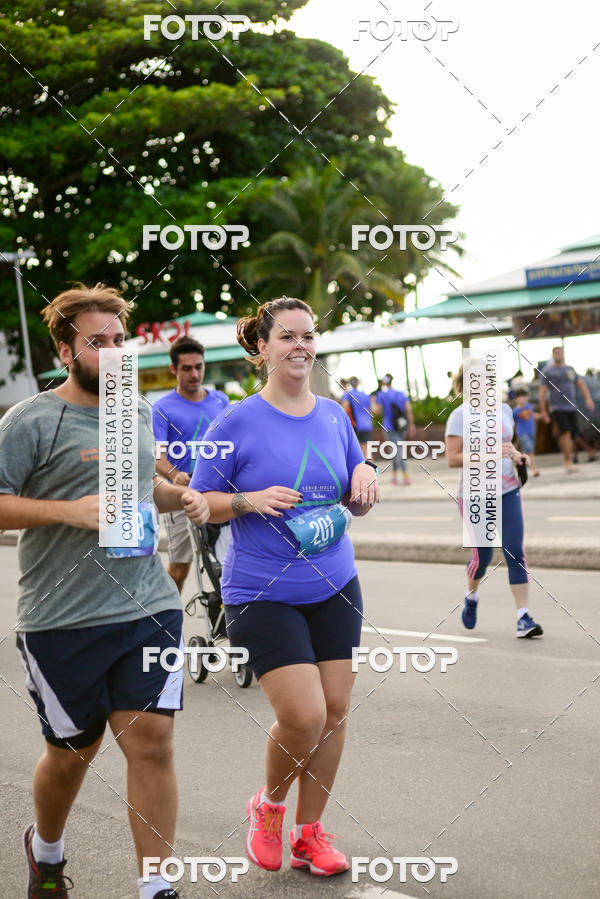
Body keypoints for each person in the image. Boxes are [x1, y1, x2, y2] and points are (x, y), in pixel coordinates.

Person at [0, 284, 209, 899]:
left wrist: (182, 498)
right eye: (100, 342)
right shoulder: (30, 420)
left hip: (147, 607)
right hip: (62, 618)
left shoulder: (136, 412)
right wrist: (66, 512)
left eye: (122, 340)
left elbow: (145, 487)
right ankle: (46, 851)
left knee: (152, 740)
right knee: (71, 755)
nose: (116, 351)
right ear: (67, 350)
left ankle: (154, 886)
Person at [187, 296, 379, 878]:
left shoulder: (333, 415)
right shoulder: (235, 422)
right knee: (304, 715)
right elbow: (200, 504)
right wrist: (249, 500)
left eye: (308, 336)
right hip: (261, 590)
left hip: (335, 582)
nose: (301, 346)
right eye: (288, 336)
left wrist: (366, 473)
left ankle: (309, 833)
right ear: (263, 348)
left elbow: (353, 488)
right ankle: (268, 806)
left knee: (336, 710)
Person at [445, 364, 543, 639]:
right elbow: (453, 459)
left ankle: (523, 618)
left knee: (515, 551)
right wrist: (490, 453)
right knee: (483, 557)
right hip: (475, 494)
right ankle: (471, 595)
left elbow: (507, 444)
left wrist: (516, 455)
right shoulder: (459, 416)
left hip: (508, 489)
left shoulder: (504, 409)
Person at [152, 336, 228, 592]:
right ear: (174, 369)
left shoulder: (220, 400)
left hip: (219, 493)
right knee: (180, 566)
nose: (195, 374)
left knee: (230, 561)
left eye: (199, 366)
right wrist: (175, 475)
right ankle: (166, 625)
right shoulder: (162, 408)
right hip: (181, 496)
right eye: (187, 368)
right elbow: (156, 457)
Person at [538, 346, 595, 473]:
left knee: (574, 435)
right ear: (553, 355)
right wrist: (543, 411)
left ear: (563, 354)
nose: (558, 355)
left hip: (572, 406)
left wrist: (588, 398)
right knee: (566, 433)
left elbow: (580, 383)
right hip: (557, 407)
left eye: (560, 352)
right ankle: (568, 462)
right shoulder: (547, 371)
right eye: (556, 353)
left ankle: (572, 459)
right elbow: (542, 391)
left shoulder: (569, 369)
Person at [370, 373, 415, 485]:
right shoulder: (401, 394)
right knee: (396, 450)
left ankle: (405, 476)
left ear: (385, 382)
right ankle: (395, 476)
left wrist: (372, 401)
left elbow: (377, 411)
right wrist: (411, 425)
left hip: (389, 427)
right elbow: (408, 410)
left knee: (396, 451)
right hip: (402, 426)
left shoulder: (382, 395)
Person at [341, 376, 373, 455]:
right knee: (367, 451)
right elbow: (373, 410)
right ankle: (371, 467)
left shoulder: (347, 394)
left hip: (354, 425)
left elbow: (343, 410)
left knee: (357, 453)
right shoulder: (366, 395)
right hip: (367, 425)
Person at [512, 389, 541, 476]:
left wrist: (542, 416)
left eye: (525, 397)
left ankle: (526, 465)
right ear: (516, 399)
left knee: (528, 450)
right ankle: (534, 469)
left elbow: (532, 415)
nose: (523, 399)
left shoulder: (529, 407)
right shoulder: (515, 411)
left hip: (531, 431)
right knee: (530, 450)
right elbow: (512, 422)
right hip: (522, 432)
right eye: (520, 397)